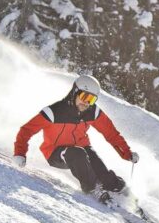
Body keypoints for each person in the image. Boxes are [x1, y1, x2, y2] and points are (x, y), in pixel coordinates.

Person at [12, 74, 139, 202]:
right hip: (56, 152)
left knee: (96, 163)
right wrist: (19, 153)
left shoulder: (92, 112)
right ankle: (92, 188)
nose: (86, 102)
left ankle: (115, 185)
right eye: (84, 96)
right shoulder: (54, 112)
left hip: (82, 147)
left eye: (91, 99)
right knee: (77, 153)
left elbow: (111, 134)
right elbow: (26, 130)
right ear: (74, 92)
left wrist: (127, 153)